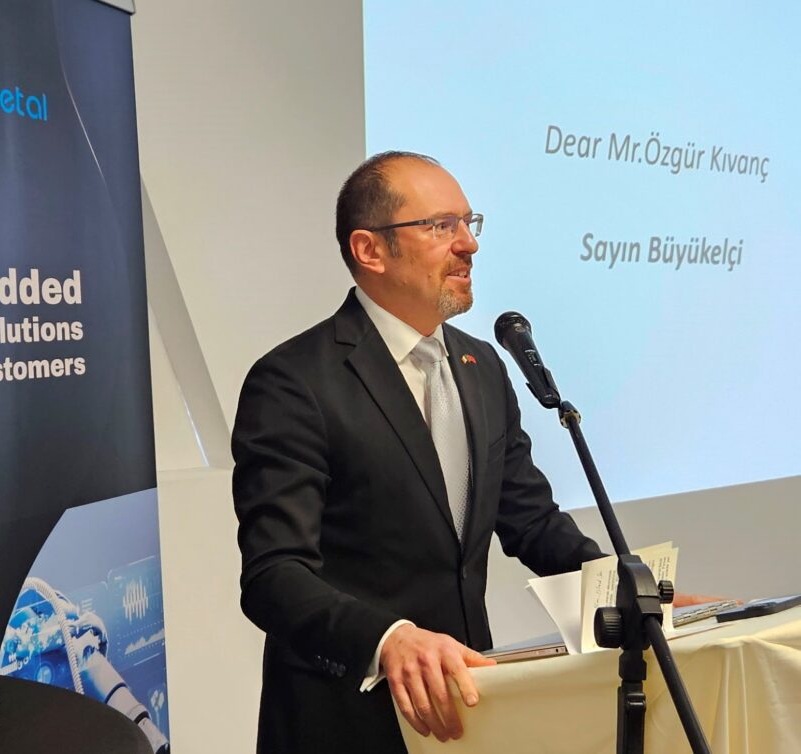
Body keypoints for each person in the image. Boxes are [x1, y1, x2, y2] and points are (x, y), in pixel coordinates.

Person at [232, 151, 607, 753]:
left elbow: (533, 523)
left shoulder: (482, 366)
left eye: (469, 223)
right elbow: (274, 575)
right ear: (370, 250)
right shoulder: (294, 382)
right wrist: (388, 639)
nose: (469, 245)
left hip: (466, 709)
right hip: (344, 722)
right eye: (440, 226)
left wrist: (631, 594)